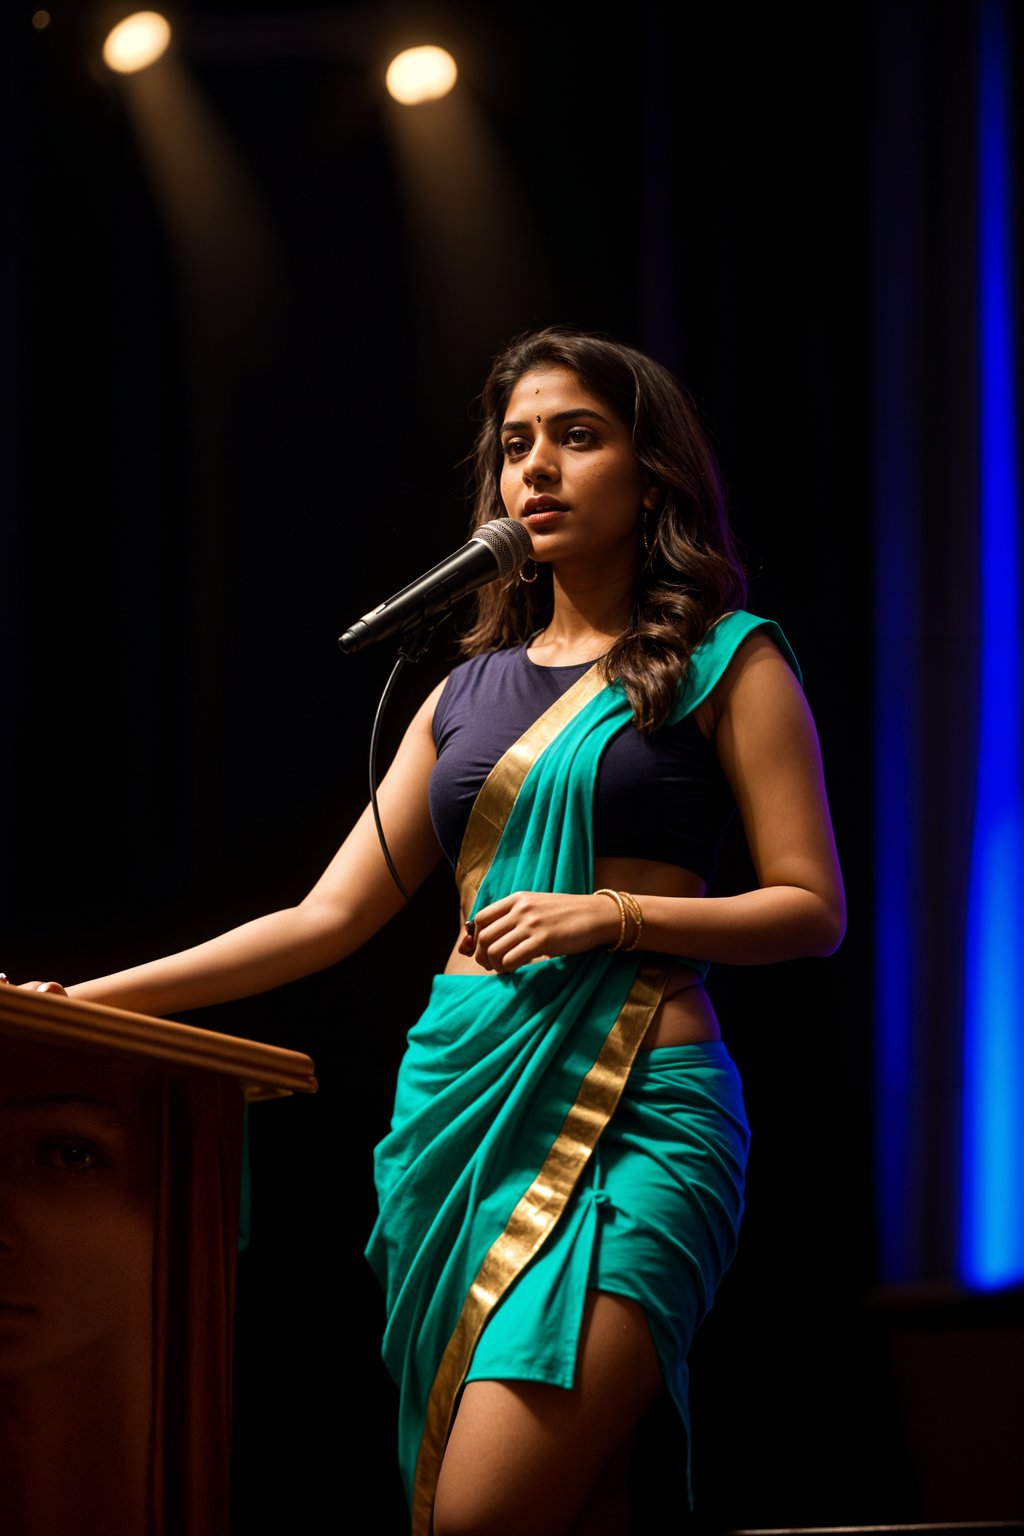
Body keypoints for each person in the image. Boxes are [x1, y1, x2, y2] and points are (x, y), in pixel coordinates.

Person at [1, 325, 846, 1536]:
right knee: (581, 1506)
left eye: (577, 437)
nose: (536, 469)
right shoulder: (462, 690)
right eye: (515, 447)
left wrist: (610, 914)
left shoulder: (726, 661)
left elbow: (810, 911)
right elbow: (322, 918)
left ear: (650, 472)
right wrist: (80, 1008)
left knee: (482, 1518)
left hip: (635, 1116)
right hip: (457, 1113)